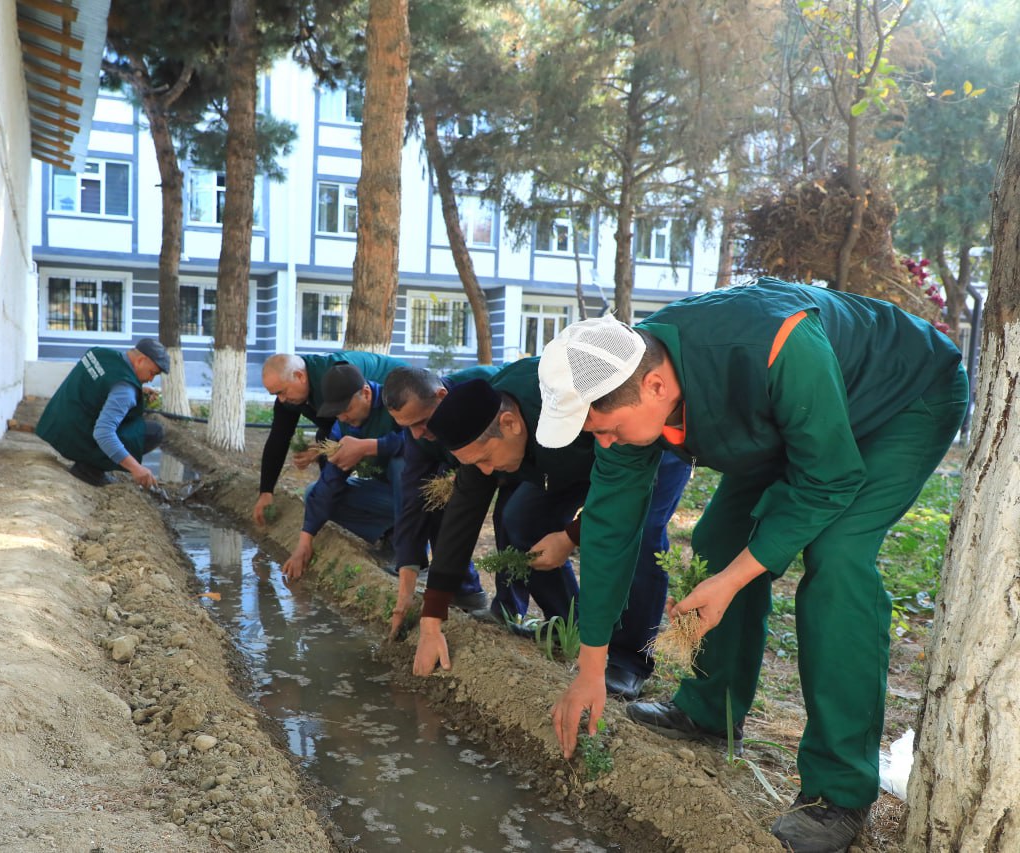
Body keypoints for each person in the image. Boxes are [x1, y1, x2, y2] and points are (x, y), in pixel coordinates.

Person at [540, 279, 967, 852]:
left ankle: (838, 792)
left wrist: (735, 580)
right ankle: (711, 709)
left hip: (899, 399)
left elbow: (830, 476)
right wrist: (590, 668)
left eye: (609, 430)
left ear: (657, 385)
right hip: (790, 416)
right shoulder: (630, 377)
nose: (608, 444)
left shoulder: (774, 343)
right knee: (719, 535)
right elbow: (613, 526)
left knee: (837, 558)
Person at [410, 359, 691, 699]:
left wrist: (571, 536)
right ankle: (568, 621)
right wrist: (431, 618)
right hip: (568, 457)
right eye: (474, 464)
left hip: (643, 445)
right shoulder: (481, 428)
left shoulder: (570, 403)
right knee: (521, 518)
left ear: (510, 423)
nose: (485, 472)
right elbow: (462, 517)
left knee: (639, 534)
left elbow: (623, 497)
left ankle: (627, 660)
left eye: (485, 459)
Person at [382, 365, 497, 632]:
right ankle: (463, 591)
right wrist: (405, 596)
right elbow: (413, 500)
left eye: (422, 422)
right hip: (470, 467)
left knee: (514, 517)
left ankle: (509, 610)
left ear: (442, 396)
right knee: (434, 498)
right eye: (407, 427)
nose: (417, 433)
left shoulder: (483, 393)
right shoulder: (418, 435)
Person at [281, 363, 407, 580]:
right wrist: (304, 542)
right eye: (337, 413)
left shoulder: (395, 401)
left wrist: (369, 446)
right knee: (314, 493)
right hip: (387, 496)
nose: (343, 418)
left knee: (401, 462)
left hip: (423, 499)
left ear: (366, 393)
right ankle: (391, 535)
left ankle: (413, 556)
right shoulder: (342, 427)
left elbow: (418, 441)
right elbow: (331, 480)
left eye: (346, 410)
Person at [254, 352, 406, 526]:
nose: (281, 399)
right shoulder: (289, 396)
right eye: (276, 395)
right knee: (327, 479)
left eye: (282, 392)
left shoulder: (334, 377)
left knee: (398, 461)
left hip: (398, 401)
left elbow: (347, 426)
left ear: (300, 376)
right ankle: (387, 528)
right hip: (363, 418)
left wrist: (322, 449)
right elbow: (278, 438)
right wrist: (266, 492)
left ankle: (406, 527)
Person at [35, 338, 169, 488]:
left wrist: (139, 391)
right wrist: (136, 468)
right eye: (152, 373)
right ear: (141, 360)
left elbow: (98, 386)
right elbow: (103, 432)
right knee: (153, 432)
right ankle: (90, 470)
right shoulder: (125, 390)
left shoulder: (99, 353)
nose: (150, 379)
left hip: (55, 426)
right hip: (76, 440)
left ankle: (91, 462)